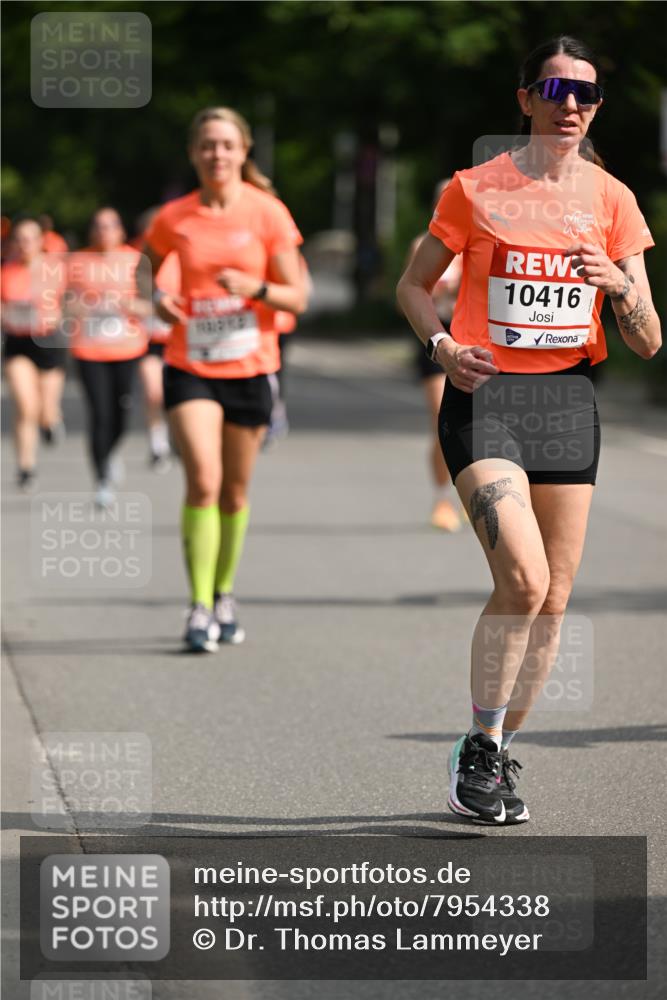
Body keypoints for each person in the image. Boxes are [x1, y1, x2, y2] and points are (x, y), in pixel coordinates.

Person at [397, 35, 660, 824]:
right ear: (524, 100)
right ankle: (480, 742)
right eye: (554, 90)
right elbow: (414, 288)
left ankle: (494, 751)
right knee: (522, 578)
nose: (570, 105)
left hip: (566, 403)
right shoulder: (475, 189)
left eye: (585, 94)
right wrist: (442, 346)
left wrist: (619, 285)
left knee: (554, 599)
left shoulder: (612, 200)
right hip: (486, 396)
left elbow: (648, 340)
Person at [140, 106, 306, 652]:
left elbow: (296, 296)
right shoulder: (175, 216)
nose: (217, 154)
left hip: (251, 368)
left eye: (227, 145)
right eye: (207, 145)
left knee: (234, 493)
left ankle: (225, 591)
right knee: (203, 482)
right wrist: (159, 297)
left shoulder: (267, 214)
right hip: (190, 366)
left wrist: (254, 288)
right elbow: (144, 264)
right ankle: (198, 607)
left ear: (243, 152)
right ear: (194, 153)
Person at [65, 208, 148, 507]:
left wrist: (126, 304)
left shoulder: (136, 261)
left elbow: (151, 306)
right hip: (89, 349)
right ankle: (101, 478)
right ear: (91, 231)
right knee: (100, 414)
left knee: (122, 416)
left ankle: (111, 452)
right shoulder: (77, 262)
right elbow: (63, 302)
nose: (104, 232)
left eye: (111, 226)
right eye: (98, 226)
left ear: (121, 231)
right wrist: (81, 307)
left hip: (127, 348)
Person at [406, 179, 464, 531]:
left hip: (473, 334)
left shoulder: (479, 240)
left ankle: (475, 495)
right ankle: (442, 498)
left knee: (482, 423)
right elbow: (408, 295)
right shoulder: (422, 245)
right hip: (435, 334)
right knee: (443, 420)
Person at [1, 217, 67, 490]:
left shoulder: (57, 269)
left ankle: (51, 421)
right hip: (18, 342)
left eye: (31, 238)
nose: (25, 244)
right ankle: (26, 466)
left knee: (45, 410)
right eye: (20, 238)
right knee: (25, 406)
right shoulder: (6, 271)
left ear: (41, 241)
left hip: (48, 342)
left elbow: (73, 302)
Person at [133, 208, 179, 472]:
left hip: (179, 340)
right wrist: (154, 307)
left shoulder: (182, 257)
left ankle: (177, 437)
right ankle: (157, 445)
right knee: (153, 392)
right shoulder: (136, 260)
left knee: (174, 394)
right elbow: (125, 300)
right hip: (148, 339)